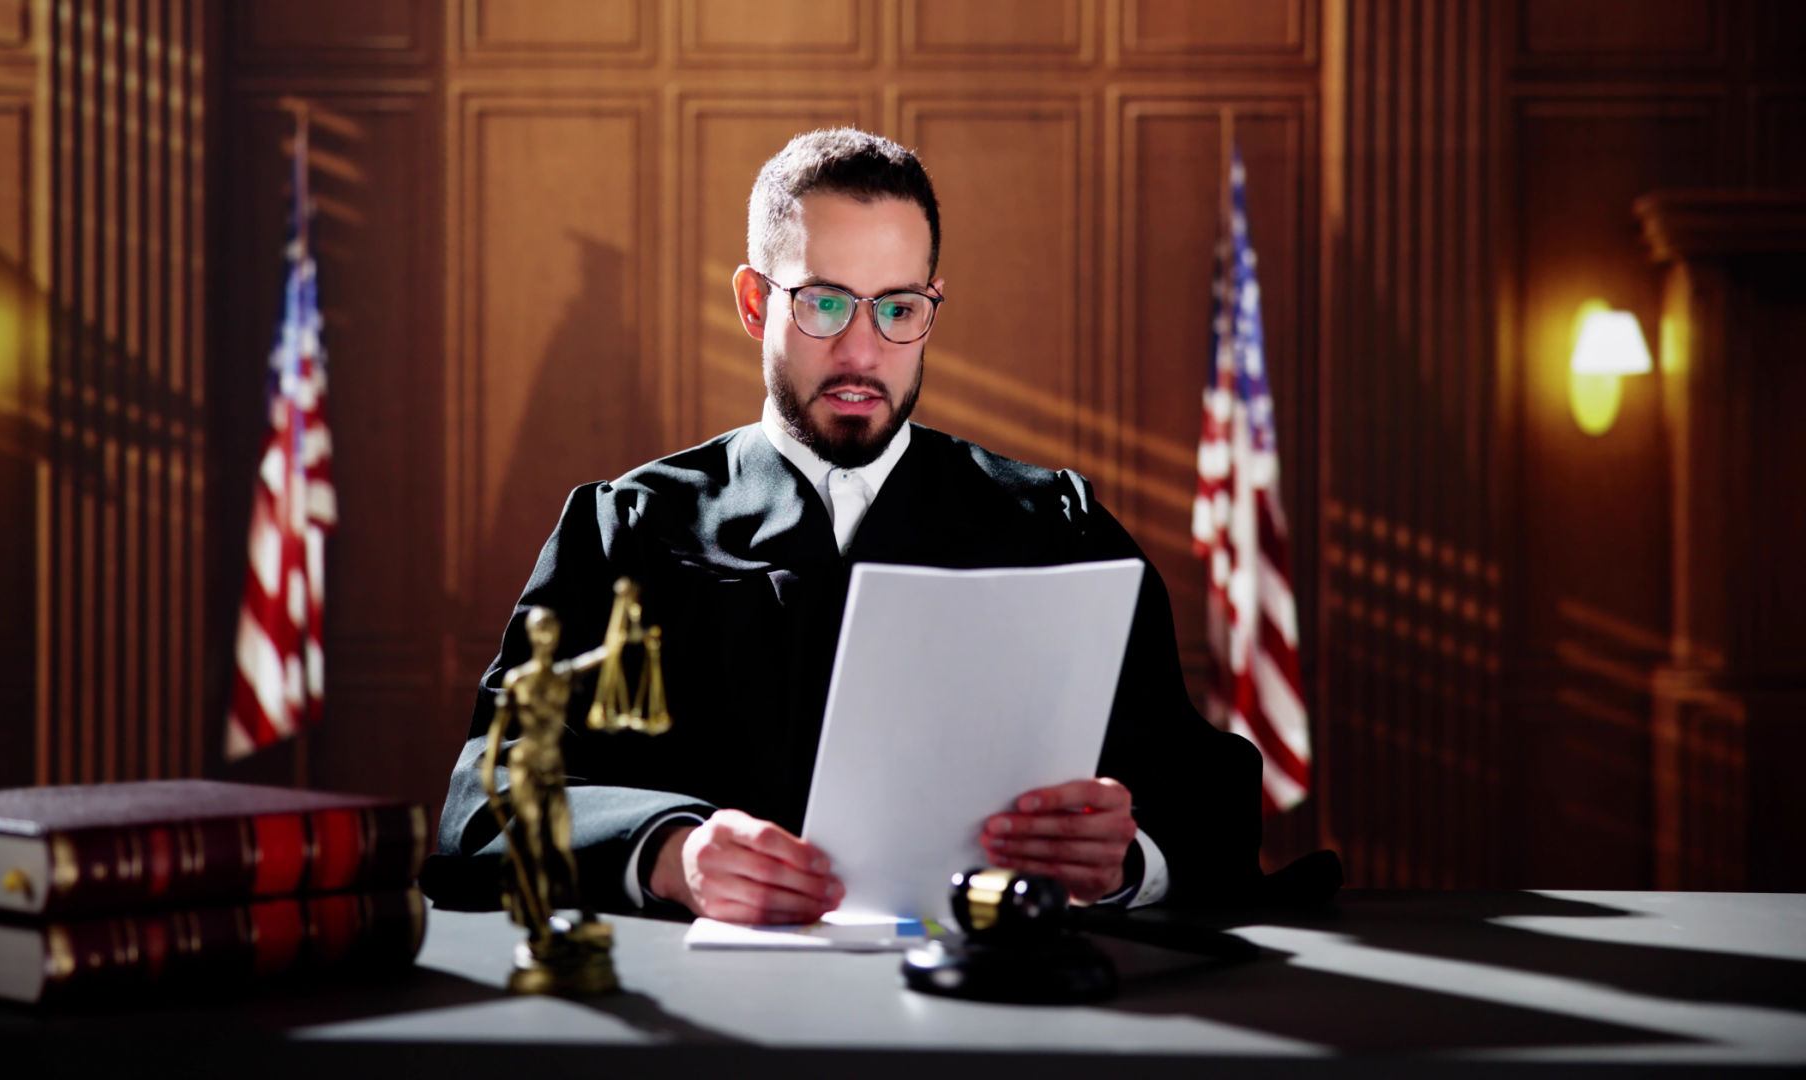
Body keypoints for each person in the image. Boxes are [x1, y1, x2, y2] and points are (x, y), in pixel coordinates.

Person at [426, 128, 1262, 925]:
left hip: (986, 1015)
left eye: (898, 308)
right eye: (825, 303)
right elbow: (486, 800)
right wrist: (670, 855)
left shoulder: (1052, 529)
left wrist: (1127, 857)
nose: (864, 352)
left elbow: (1204, 793)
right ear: (756, 304)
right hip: (712, 1022)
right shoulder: (630, 533)